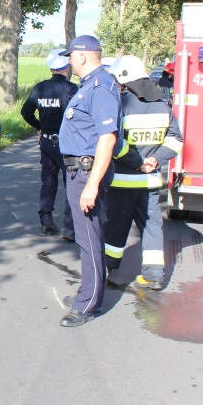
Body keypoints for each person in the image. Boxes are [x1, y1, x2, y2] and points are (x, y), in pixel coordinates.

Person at [56, 35, 123, 327]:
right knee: (86, 237)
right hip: (79, 172)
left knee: (89, 238)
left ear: (83, 55)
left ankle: (88, 304)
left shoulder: (100, 88)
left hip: (87, 173)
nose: (68, 61)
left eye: (70, 55)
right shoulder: (90, 86)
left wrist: (93, 184)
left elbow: (107, 139)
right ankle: (88, 292)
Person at [105, 55, 183, 290]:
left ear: (123, 79)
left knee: (117, 226)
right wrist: (155, 160)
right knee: (151, 227)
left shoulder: (119, 105)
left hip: (122, 182)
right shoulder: (162, 105)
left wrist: (138, 162)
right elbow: (176, 140)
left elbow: (114, 142)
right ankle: (153, 275)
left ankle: (109, 269)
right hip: (150, 182)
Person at [20, 49, 79, 240]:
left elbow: (26, 112)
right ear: (67, 67)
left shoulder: (40, 88)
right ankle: (69, 228)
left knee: (48, 182)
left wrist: (40, 127)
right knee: (71, 183)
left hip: (46, 141)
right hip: (68, 144)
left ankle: (46, 223)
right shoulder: (71, 89)